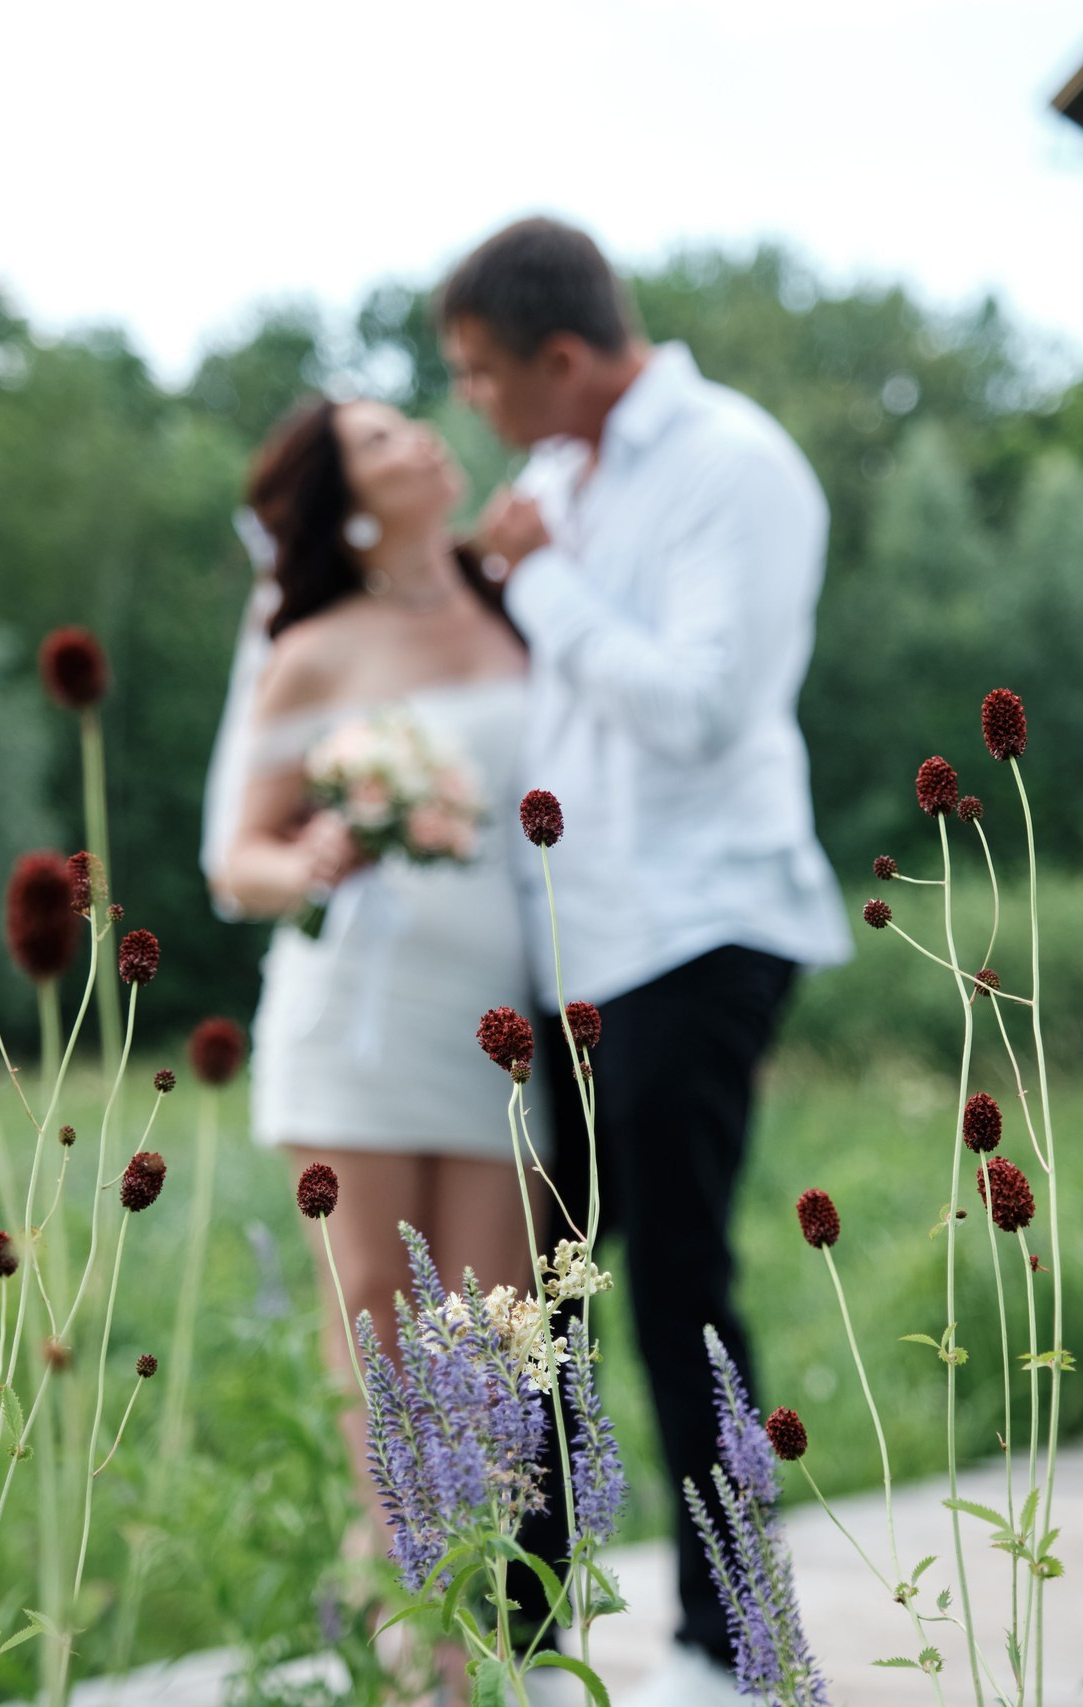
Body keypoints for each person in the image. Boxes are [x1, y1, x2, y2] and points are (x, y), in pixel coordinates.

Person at [441, 216, 851, 1704]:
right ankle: (534, 1644)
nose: (472, 403)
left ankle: (736, 1649)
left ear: (561, 357)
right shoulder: (553, 480)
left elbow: (703, 707)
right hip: (578, 942)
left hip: (706, 924)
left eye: (483, 375)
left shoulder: (736, 466)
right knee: (552, 1288)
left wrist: (540, 582)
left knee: (677, 1273)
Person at [200, 395, 538, 1615]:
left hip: (501, 1026)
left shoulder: (513, 599)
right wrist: (317, 858)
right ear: (347, 501)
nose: (425, 440)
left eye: (413, 423)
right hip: (358, 1023)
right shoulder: (315, 649)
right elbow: (239, 861)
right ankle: (410, 1656)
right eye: (385, 440)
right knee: (380, 1348)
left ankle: (475, 1643)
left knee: (492, 1350)